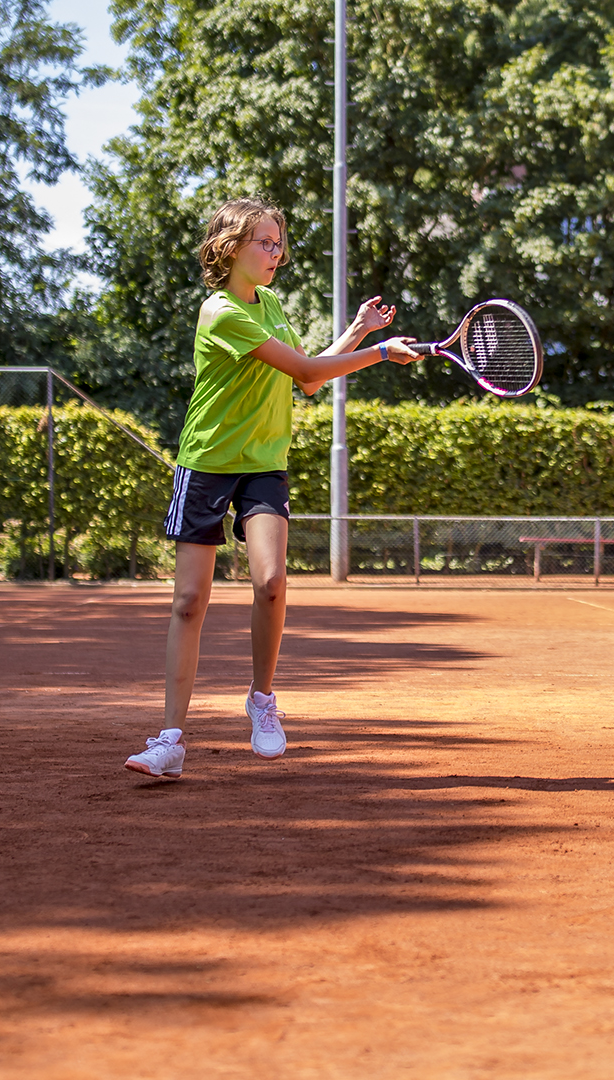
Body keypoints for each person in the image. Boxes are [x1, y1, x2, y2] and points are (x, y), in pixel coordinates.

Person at [127, 196, 417, 778]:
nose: (276, 252)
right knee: (189, 602)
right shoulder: (221, 313)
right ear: (230, 247)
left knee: (272, 582)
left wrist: (357, 331)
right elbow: (309, 374)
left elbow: (307, 375)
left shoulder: (272, 304)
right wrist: (380, 352)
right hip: (206, 462)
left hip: (263, 462)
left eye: (279, 242)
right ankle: (170, 741)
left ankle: (262, 700)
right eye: (265, 241)